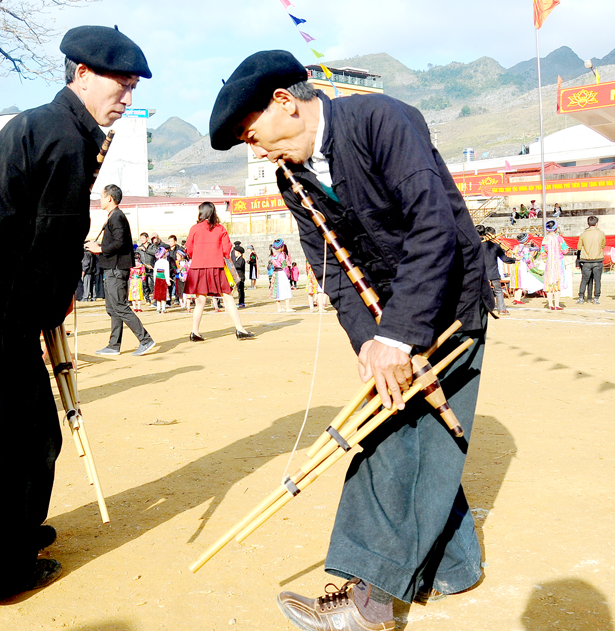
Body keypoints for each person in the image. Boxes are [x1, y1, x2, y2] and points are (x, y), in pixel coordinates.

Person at [209, 50, 493, 630]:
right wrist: (370, 343)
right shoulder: (295, 176)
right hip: (389, 321)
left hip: (447, 306)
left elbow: (432, 226)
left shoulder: (383, 121)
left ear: (285, 104)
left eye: (253, 134)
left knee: (392, 441)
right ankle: (456, 566)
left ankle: (364, 605)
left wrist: (399, 336)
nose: (256, 152)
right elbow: (333, 271)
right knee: (421, 435)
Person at [0, 25, 152, 604]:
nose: (126, 94)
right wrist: (53, 309)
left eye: (133, 86)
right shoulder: (62, 138)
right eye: (118, 83)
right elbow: (52, 242)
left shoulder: (41, 125)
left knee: (11, 436)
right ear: (80, 74)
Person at [88, 183, 155, 355]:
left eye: (102, 197)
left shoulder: (116, 217)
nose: (100, 200)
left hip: (117, 269)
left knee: (119, 305)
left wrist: (100, 249)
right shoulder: (114, 216)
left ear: (109, 198)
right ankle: (113, 345)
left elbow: (119, 242)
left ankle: (145, 339)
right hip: (112, 268)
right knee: (112, 308)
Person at [184, 201, 254, 341]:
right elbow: (226, 250)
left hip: (198, 267)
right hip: (216, 266)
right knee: (228, 297)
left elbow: (189, 249)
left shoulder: (194, 228)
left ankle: (195, 332)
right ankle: (240, 329)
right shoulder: (220, 228)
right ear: (213, 212)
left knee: (200, 301)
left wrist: (199, 255)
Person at [477, 226, 516, 316]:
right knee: (498, 291)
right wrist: (515, 259)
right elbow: (505, 259)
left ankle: (481, 308)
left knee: (479, 291)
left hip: (480, 272)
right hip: (493, 272)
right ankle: (502, 309)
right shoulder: (495, 246)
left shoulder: (475, 246)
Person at [576, 215, 605, 304]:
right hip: (598, 259)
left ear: (588, 223)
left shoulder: (583, 234)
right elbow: (603, 245)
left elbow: (579, 247)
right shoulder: (601, 233)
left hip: (586, 260)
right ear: (597, 223)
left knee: (584, 279)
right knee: (597, 280)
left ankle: (581, 297)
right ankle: (596, 297)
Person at [540, 220, 568, 310]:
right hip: (558, 262)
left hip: (549, 263)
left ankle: (550, 304)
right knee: (557, 283)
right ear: (556, 228)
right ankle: (557, 304)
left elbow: (542, 253)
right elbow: (565, 250)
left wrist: (546, 259)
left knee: (549, 283)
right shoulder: (559, 238)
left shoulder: (545, 239)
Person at [509, 233, 543, 304]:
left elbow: (512, 256)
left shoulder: (515, 247)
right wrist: (531, 257)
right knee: (521, 283)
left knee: (516, 283)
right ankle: (517, 299)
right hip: (522, 266)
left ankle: (516, 298)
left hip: (514, 265)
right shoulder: (526, 249)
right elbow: (527, 260)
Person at [270, 239, 294, 312]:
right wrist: (288, 274)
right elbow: (284, 266)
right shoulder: (281, 255)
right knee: (286, 288)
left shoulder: (273, 255)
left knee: (277, 289)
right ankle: (288, 307)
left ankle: (279, 308)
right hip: (281, 273)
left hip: (275, 272)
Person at [137, 232, 156, 302]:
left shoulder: (152, 246)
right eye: (141, 238)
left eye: (143, 238)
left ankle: (154, 297)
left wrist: (146, 250)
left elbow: (155, 252)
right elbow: (138, 258)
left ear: (147, 238)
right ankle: (147, 298)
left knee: (152, 283)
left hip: (152, 267)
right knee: (145, 284)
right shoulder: (139, 248)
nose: (142, 239)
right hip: (143, 268)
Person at [152, 245, 171, 313]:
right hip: (163, 279)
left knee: (158, 295)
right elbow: (166, 272)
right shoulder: (166, 262)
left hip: (157, 279)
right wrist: (168, 281)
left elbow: (154, 273)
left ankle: (158, 308)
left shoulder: (157, 262)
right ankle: (163, 308)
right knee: (163, 294)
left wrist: (154, 281)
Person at [232, 242, 246, 307]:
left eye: (235, 252)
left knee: (240, 290)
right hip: (236, 276)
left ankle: (241, 303)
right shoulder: (237, 259)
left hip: (240, 277)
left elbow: (239, 266)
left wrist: (233, 265)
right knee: (236, 289)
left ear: (238, 253)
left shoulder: (241, 259)